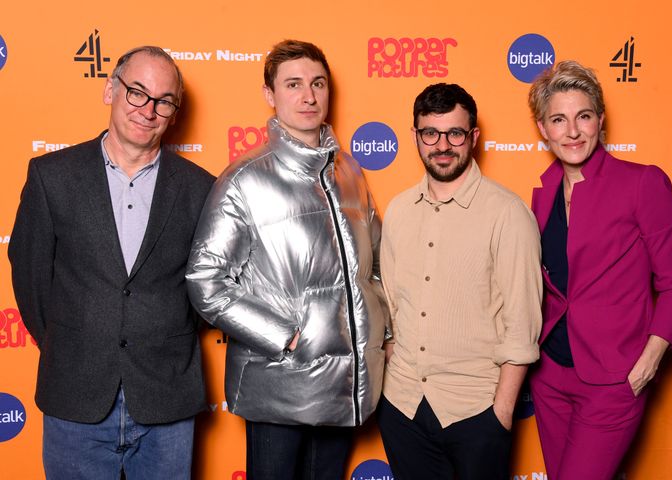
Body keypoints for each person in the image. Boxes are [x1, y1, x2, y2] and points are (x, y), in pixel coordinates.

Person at [185, 39, 388, 480]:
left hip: (343, 385)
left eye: (318, 83)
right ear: (270, 95)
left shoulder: (351, 173)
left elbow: (374, 267)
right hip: (280, 382)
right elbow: (206, 281)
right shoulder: (243, 180)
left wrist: (379, 331)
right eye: (293, 84)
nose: (308, 96)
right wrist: (286, 337)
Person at [8, 46, 214, 479]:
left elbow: (206, 291)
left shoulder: (201, 190)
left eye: (164, 100)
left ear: (174, 112)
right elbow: (29, 276)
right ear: (110, 90)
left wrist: (160, 329)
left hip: (166, 396)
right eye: (137, 92)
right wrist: (73, 341)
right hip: (74, 393)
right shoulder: (52, 176)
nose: (148, 109)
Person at [527, 60, 672, 479]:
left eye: (583, 116)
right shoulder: (542, 194)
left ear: (600, 120)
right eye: (558, 120)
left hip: (613, 378)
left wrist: (648, 363)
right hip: (550, 377)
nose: (573, 131)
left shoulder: (641, 183)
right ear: (543, 129)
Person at [376, 83, 542, 480]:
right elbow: (391, 305)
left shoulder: (508, 214)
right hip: (403, 406)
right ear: (415, 136)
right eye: (430, 133)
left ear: (474, 137)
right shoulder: (399, 211)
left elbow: (522, 323)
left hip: (476, 412)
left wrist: (500, 414)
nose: (442, 145)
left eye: (455, 133)